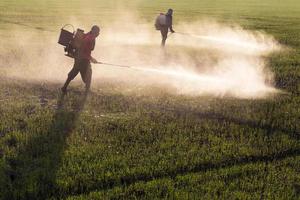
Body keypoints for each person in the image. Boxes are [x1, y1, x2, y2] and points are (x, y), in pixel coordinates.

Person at [61, 25, 100, 94]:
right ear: (94, 31)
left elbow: (85, 50)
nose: (98, 34)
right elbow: (85, 51)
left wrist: (90, 58)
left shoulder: (87, 35)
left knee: (74, 72)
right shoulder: (91, 38)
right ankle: (87, 91)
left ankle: (64, 87)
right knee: (88, 74)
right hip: (83, 60)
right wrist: (92, 59)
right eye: (97, 32)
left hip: (78, 58)